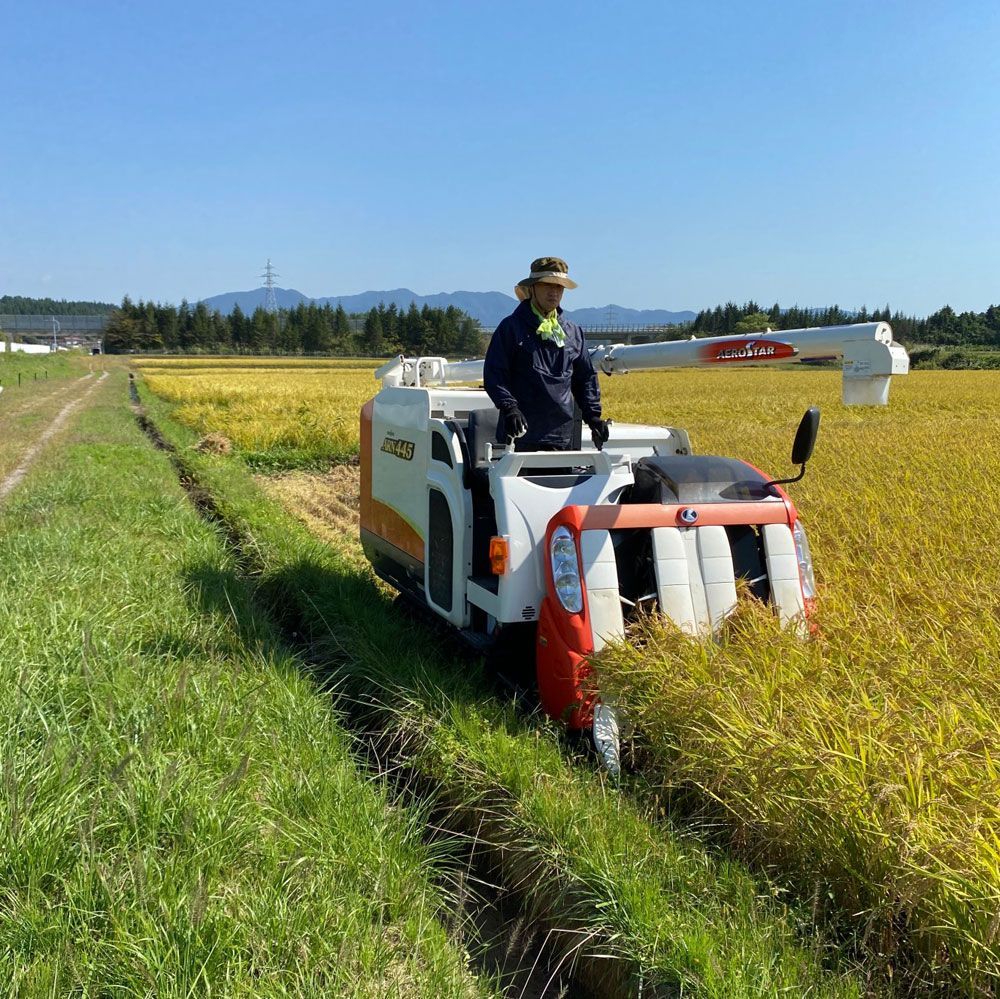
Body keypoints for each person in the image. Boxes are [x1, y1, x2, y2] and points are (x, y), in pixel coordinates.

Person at [483, 256, 609, 451]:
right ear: (532, 287)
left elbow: (585, 377)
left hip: (562, 436)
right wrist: (509, 408)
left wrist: (593, 417)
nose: (554, 292)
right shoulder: (511, 328)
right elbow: (495, 373)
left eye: (559, 287)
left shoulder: (572, 332)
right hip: (520, 436)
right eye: (547, 285)